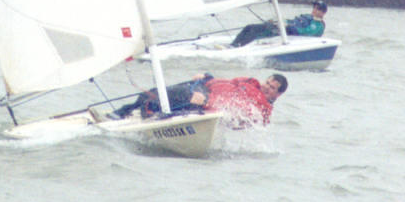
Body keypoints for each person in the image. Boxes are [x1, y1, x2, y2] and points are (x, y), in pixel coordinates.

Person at [111, 72, 288, 127]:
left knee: (156, 98)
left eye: (272, 88)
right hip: (203, 86)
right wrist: (207, 76)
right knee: (152, 92)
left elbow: (239, 114)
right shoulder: (252, 82)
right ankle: (121, 112)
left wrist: (206, 103)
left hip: (204, 101)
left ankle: (145, 113)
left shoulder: (262, 109)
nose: (266, 87)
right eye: (268, 82)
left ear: (277, 95)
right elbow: (227, 83)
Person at [230, 0, 327, 47]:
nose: (314, 10)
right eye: (314, 7)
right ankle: (233, 45)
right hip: (281, 28)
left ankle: (240, 48)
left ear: (323, 13)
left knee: (256, 33)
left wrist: (287, 26)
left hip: (286, 34)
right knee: (249, 27)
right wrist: (281, 21)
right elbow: (293, 21)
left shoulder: (318, 25)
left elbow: (304, 32)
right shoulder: (308, 16)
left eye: (318, 9)